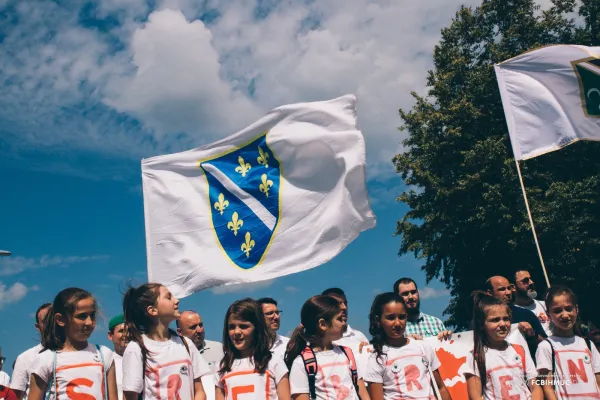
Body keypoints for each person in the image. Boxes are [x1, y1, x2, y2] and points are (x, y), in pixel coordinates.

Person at [122, 283, 210, 400]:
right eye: (169, 297)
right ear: (152, 310)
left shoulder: (186, 344)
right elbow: (129, 397)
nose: (177, 301)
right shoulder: (136, 348)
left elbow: (199, 390)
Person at [28, 288, 118, 400]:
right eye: (82, 316)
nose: (89, 322)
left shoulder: (104, 355)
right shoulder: (46, 359)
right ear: (60, 319)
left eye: (92, 315)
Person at [364, 292, 452, 400]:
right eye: (391, 318)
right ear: (378, 321)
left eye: (402, 317)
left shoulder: (423, 346)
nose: (397, 323)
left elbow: (440, 387)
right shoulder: (377, 358)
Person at [285, 295, 370, 400]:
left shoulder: (347, 354)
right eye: (339, 319)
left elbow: (363, 394)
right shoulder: (302, 363)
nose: (344, 323)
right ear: (323, 324)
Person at [463, 291, 542, 400]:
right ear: (481, 324)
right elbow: (475, 396)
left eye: (506, 318)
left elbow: (535, 387)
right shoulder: (475, 357)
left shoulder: (519, 350)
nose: (503, 324)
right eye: (495, 320)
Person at [215, 298, 290, 400]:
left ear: (257, 328)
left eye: (243, 326)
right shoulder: (222, 366)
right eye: (231, 327)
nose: (236, 332)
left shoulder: (274, 362)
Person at [536, 285, 600, 399]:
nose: (565, 315)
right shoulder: (546, 347)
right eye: (557, 311)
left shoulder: (588, 345)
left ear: (577, 309)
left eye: (568, 308)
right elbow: (547, 386)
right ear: (548, 314)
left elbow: (598, 380)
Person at [486, 275, 547, 358]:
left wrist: (532, 334)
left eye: (509, 288)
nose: (508, 293)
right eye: (502, 289)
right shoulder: (480, 319)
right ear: (489, 293)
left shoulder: (526, 314)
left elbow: (545, 343)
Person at [10, 303, 51, 400]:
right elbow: (16, 397)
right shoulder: (25, 358)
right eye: (46, 321)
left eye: (54, 320)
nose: (51, 324)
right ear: (38, 327)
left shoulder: (75, 354)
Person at [512, 269, 551, 336]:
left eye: (530, 279)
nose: (531, 282)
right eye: (525, 281)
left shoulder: (546, 305)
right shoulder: (513, 313)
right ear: (513, 287)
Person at [107, 314, 126, 400]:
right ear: (110, 335)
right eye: (122, 331)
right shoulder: (107, 362)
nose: (127, 334)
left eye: (131, 331)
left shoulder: (146, 360)